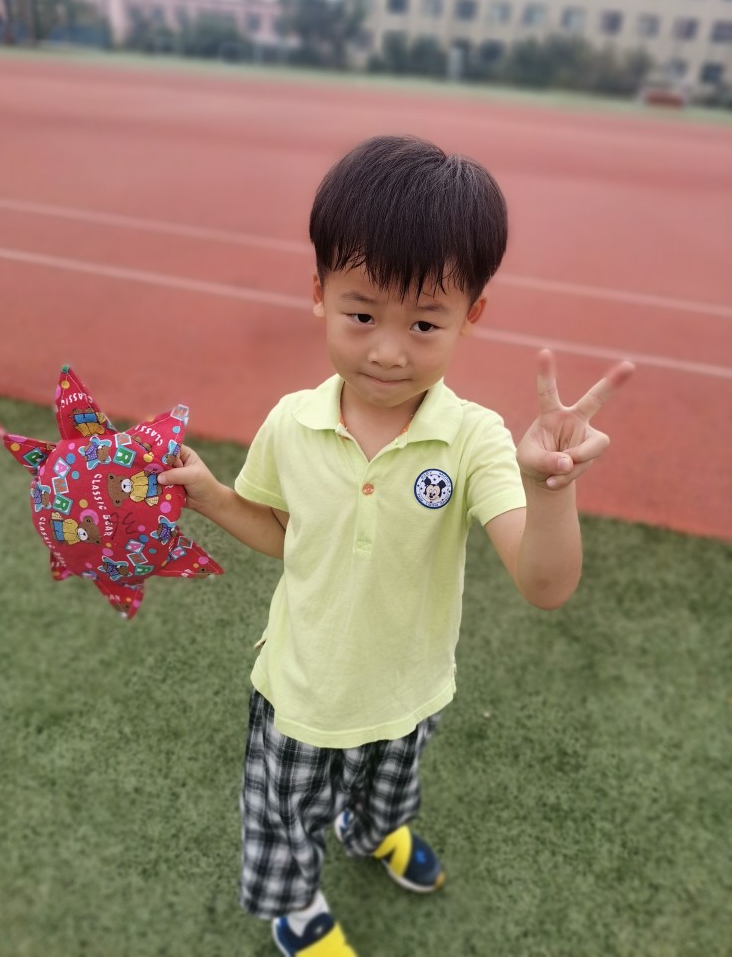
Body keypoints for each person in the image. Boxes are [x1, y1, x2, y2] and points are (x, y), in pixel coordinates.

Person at [157, 135, 633, 957]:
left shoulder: (476, 439)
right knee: (282, 817)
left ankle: (375, 832)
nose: (387, 349)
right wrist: (212, 497)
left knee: (388, 795)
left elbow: (546, 584)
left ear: (471, 315)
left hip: (409, 690)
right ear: (319, 294)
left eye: (423, 322)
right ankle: (296, 906)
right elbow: (282, 533)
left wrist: (552, 487)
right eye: (362, 314)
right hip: (300, 689)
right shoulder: (291, 422)